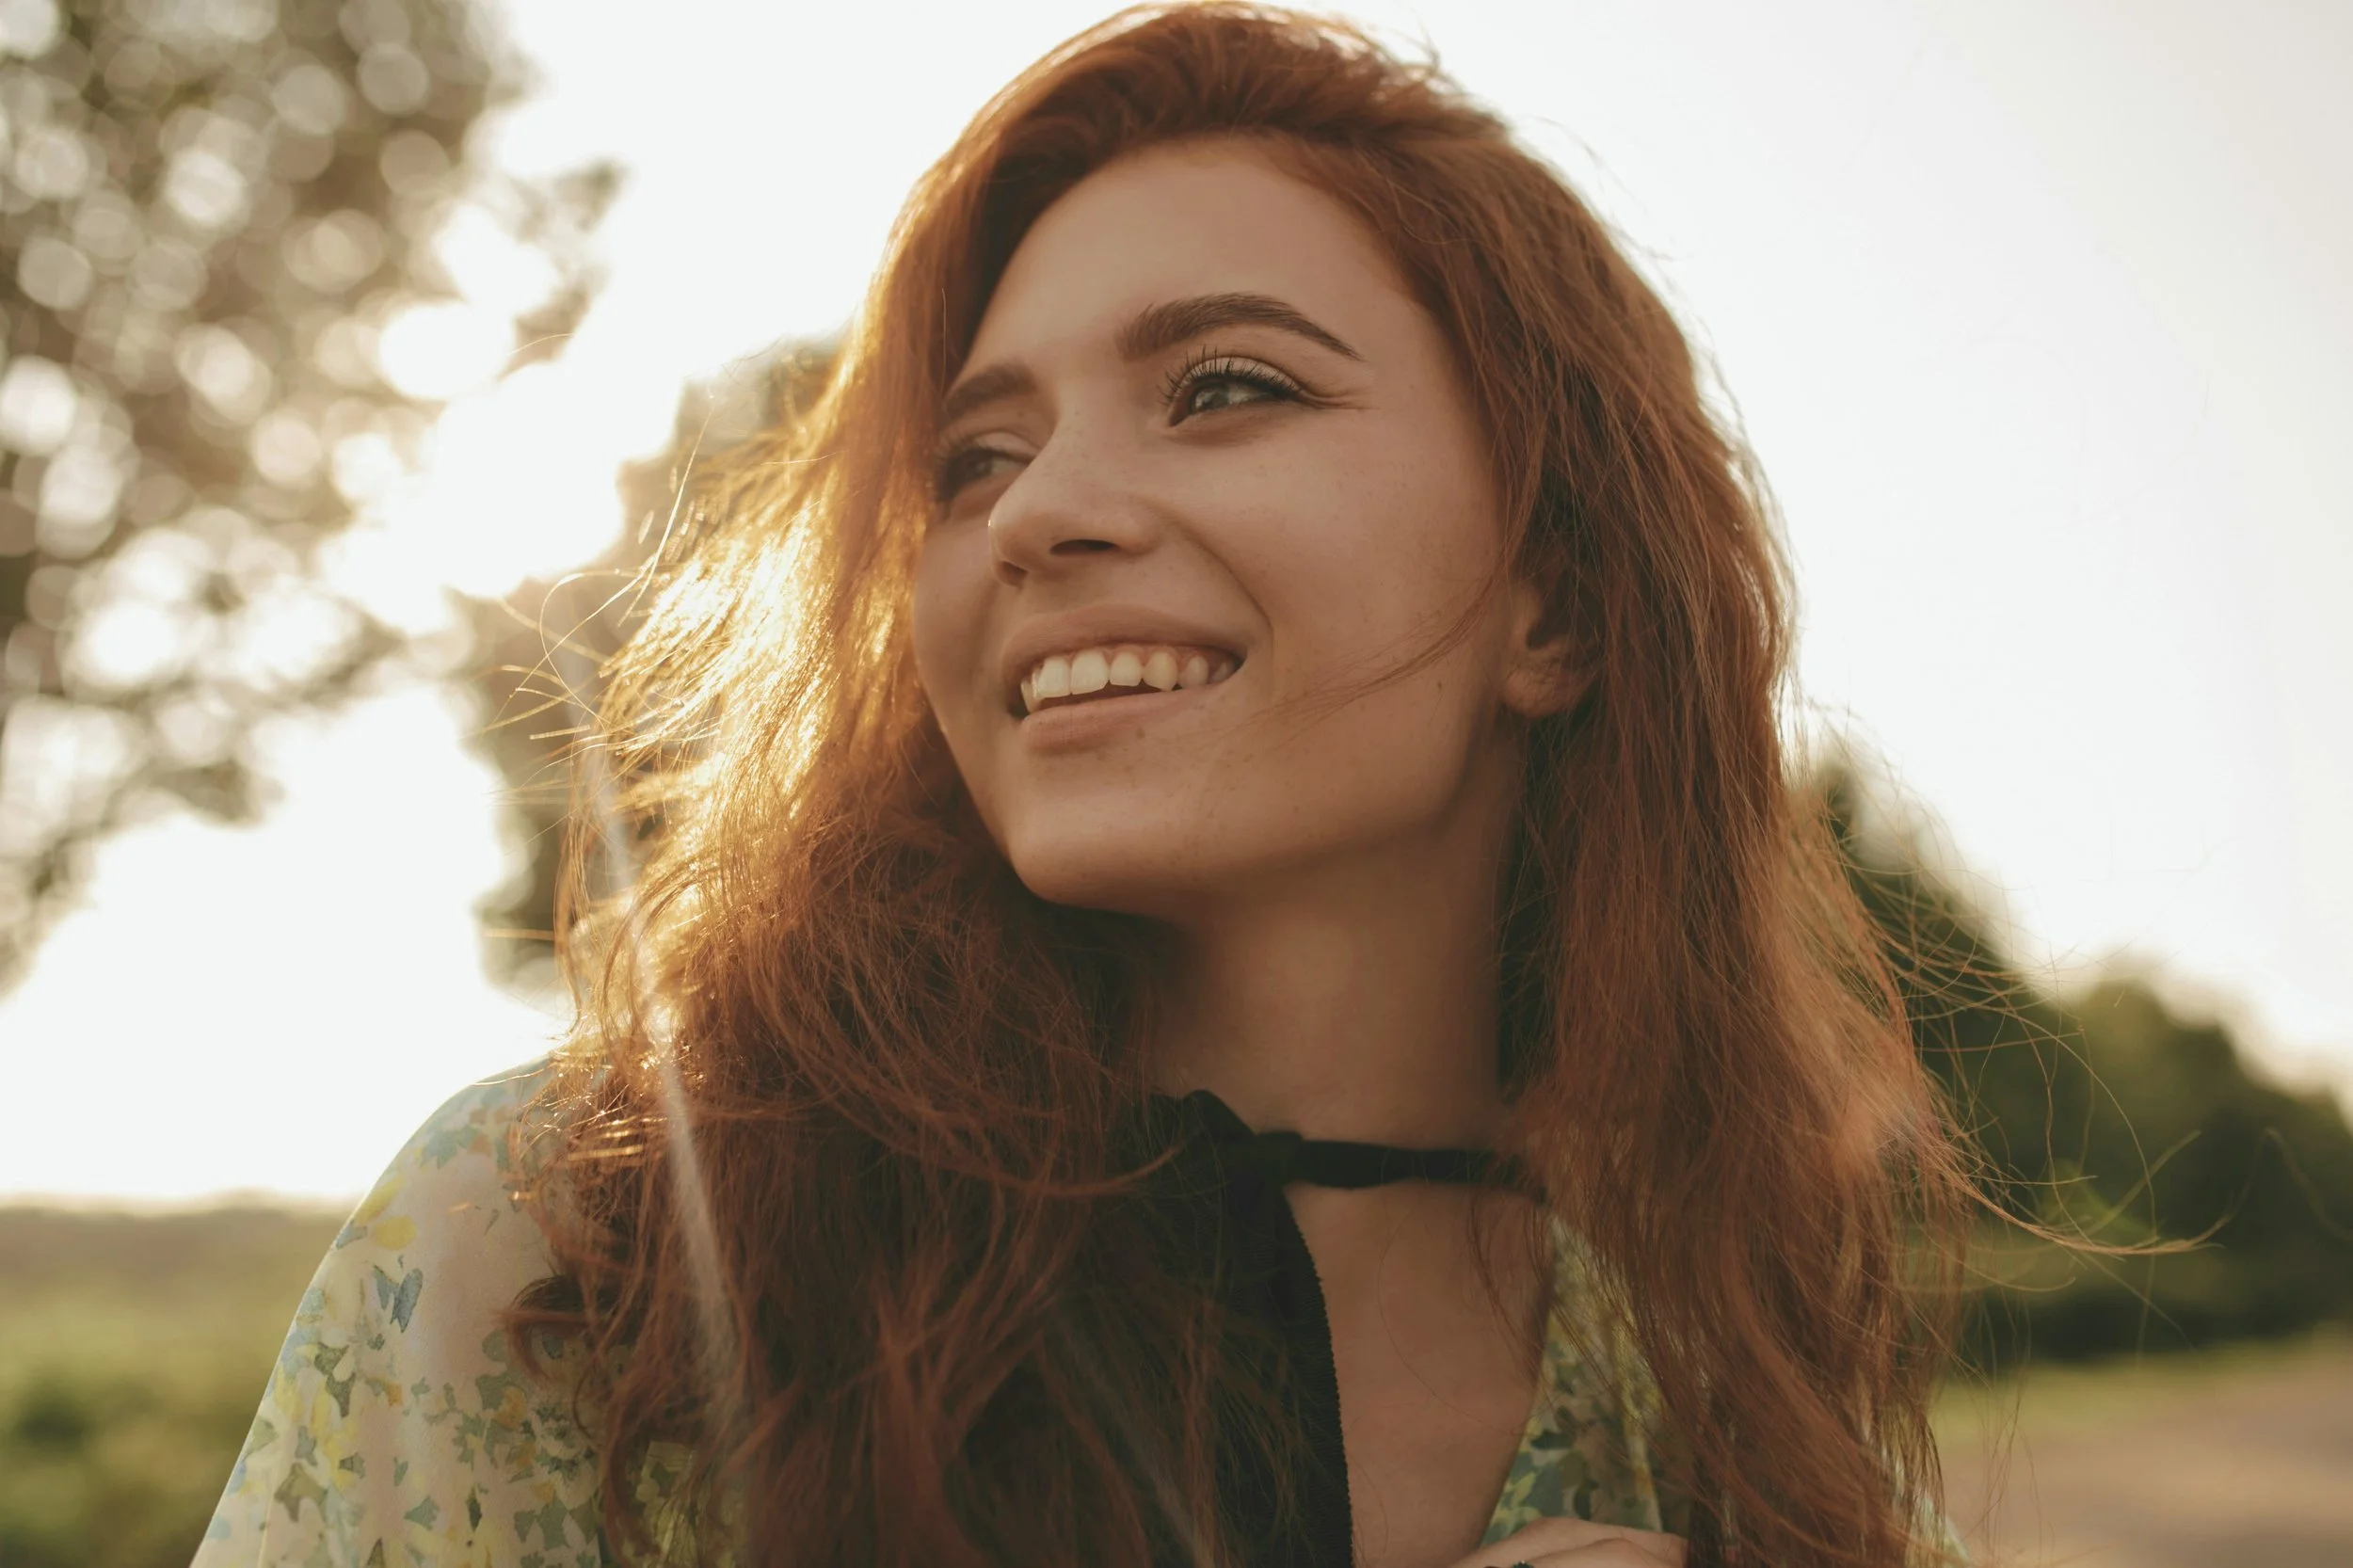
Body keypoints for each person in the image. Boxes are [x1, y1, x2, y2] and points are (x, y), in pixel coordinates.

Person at [196, 6, 1974, 1566]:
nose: (1035, 514)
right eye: (978, 457)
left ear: (1559, 600)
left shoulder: (1710, 1391)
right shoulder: (573, 1254)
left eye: (1224, 387)